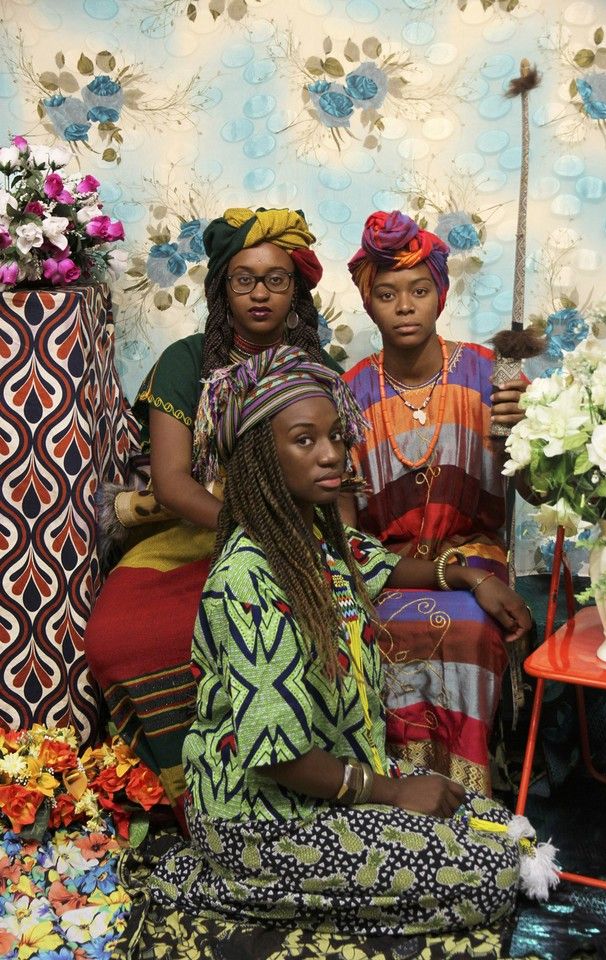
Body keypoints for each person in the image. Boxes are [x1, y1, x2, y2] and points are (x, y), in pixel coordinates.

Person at [145, 344, 554, 935]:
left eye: (336, 436)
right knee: (487, 874)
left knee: (492, 823)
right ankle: (223, 882)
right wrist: (390, 791)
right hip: (263, 819)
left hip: (329, 786)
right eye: (305, 440)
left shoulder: (315, 536)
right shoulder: (248, 578)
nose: (332, 454)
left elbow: (376, 562)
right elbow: (279, 759)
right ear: (262, 456)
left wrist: (465, 574)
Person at [84, 207, 339, 809]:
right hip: (197, 533)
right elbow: (172, 485)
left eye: (276, 279)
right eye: (243, 278)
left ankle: (283, 791)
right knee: (118, 638)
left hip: (297, 541)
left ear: (297, 289)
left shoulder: (321, 369)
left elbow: (338, 484)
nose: (259, 293)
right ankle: (188, 800)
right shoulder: (187, 361)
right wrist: (250, 527)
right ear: (222, 288)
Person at [341, 210, 530, 795]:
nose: (404, 306)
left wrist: (523, 439)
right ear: (369, 303)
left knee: (470, 630)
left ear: (440, 296)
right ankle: (398, 793)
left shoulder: (489, 376)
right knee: (372, 634)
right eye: (387, 293)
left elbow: (539, 493)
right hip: (387, 568)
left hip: (474, 554)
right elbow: (346, 543)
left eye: (419, 290)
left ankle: (472, 798)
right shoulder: (347, 394)